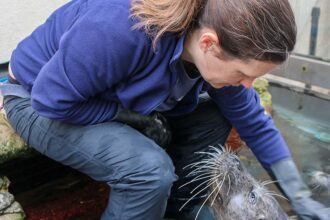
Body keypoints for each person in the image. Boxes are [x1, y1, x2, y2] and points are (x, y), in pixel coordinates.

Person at [1, 0, 329, 219]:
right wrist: (128, 118)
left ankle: (172, 210)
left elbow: (254, 123)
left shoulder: (211, 43)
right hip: (35, 99)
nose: (247, 85)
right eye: (243, 74)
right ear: (209, 45)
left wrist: (297, 194)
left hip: (109, 100)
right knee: (148, 171)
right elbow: (51, 98)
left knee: (216, 119)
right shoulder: (121, 29)